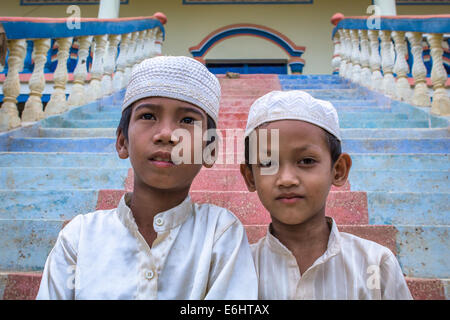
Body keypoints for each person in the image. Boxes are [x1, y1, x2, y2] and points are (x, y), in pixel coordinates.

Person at [36, 56, 258, 300]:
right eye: (148, 116)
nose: (166, 135)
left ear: (211, 149)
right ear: (122, 142)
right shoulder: (79, 237)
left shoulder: (220, 233)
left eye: (187, 120)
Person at [240, 90, 412, 300]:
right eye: (268, 163)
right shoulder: (239, 268)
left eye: (306, 161)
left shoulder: (376, 264)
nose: (286, 179)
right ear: (250, 177)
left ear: (338, 170)